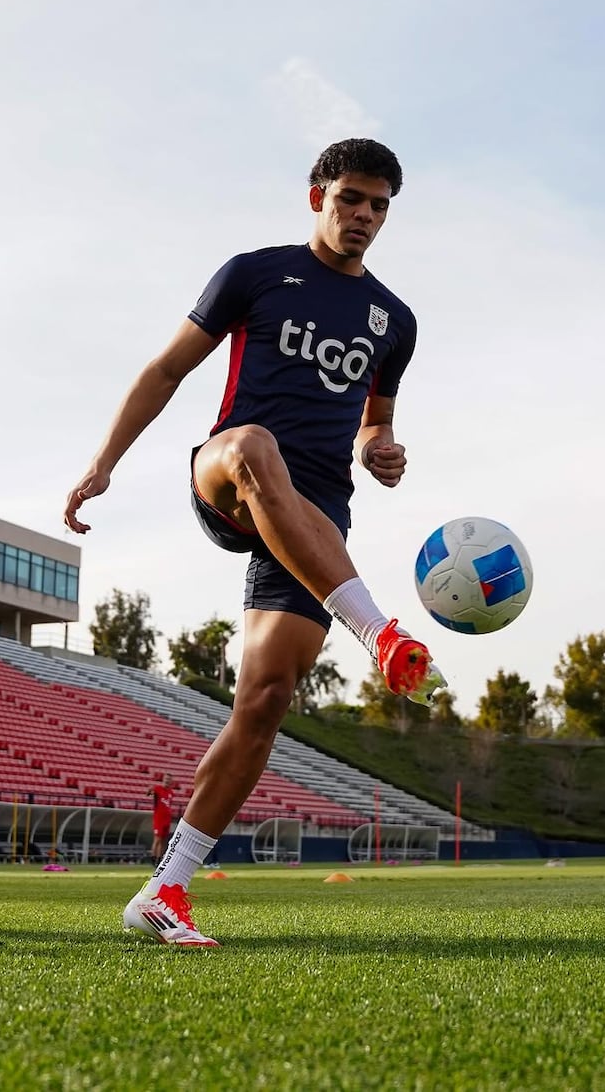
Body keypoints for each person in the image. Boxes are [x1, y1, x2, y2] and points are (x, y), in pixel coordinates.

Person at [64, 137, 444, 947]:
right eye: (351, 199)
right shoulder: (255, 272)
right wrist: (103, 465)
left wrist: (383, 452)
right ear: (317, 197)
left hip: (313, 523)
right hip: (228, 476)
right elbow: (167, 370)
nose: (365, 217)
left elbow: (376, 425)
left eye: (379, 205)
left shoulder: (396, 322)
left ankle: (165, 891)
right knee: (255, 445)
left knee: (264, 702)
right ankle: (379, 631)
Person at [147, 772, 175, 863]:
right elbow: (149, 794)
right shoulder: (158, 789)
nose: (167, 780)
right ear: (163, 779)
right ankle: (153, 857)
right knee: (157, 839)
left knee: (164, 840)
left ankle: (159, 859)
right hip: (159, 819)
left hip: (167, 819)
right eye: (166, 778)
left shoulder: (171, 792)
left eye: (169, 779)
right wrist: (149, 791)